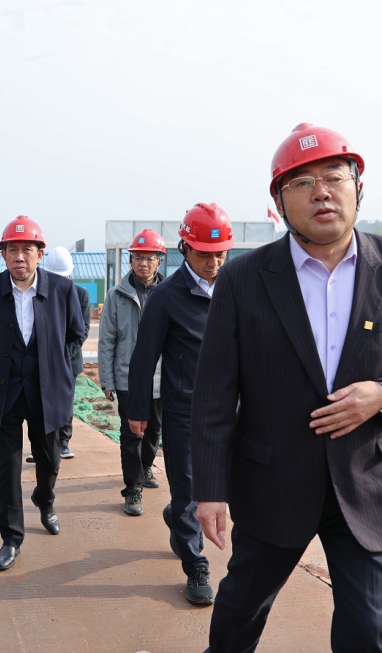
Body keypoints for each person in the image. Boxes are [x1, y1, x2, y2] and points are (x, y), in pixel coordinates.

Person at [193, 123, 382, 653]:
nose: (322, 192)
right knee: (239, 610)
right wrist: (210, 488)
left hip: (366, 477)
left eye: (334, 176)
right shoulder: (243, 279)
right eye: (302, 183)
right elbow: (215, 390)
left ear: (358, 186)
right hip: (273, 480)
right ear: (279, 203)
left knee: (368, 631)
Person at [127, 203, 234, 605]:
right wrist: (138, 409)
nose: (214, 262)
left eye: (220, 253)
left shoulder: (234, 289)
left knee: (232, 484)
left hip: (231, 410)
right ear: (185, 248)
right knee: (189, 489)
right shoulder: (166, 297)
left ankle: (176, 516)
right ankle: (195, 565)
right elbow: (144, 357)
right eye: (205, 254)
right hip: (184, 411)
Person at [0, 216, 86, 571]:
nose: (19, 257)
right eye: (12, 250)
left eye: (27, 249)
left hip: (47, 391)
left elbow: (76, 333)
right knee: (7, 466)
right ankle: (11, 537)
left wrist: (56, 366)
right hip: (5, 391)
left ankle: (45, 499)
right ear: (3, 254)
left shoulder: (63, 290)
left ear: (40, 253)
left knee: (49, 459)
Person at [99, 229, 166, 516]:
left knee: (154, 432)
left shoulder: (169, 293)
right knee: (130, 435)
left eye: (149, 258)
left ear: (159, 261)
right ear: (130, 261)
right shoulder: (117, 296)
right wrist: (107, 380)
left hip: (161, 378)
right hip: (127, 379)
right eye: (138, 258)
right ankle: (133, 489)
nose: (143, 263)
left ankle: (146, 466)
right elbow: (107, 340)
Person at [43, 246, 90, 460]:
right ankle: (42, 444)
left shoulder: (80, 294)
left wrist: (61, 355)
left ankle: (63, 442)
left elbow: (82, 331)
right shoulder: (40, 293)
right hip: (43, 359)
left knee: (65, 402)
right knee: (41, 402)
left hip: (69, 360)